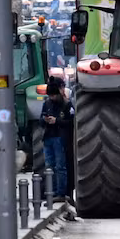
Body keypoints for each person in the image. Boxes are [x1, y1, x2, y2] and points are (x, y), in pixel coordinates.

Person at [41, 69, 73, 200]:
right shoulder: (47, 103)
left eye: (53, 95)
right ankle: (52, 192)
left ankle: (61, 193)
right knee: (49, 167)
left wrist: (57, 121)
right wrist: (45, 120)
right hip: (48, 137)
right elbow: (41, 119)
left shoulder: (67, 105)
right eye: (50, 96)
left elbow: (71, 122)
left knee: (60, 167)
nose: (52, 98)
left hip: (59, 138)